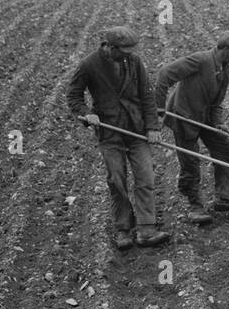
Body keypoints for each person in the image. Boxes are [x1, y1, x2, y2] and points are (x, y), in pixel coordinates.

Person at [66, 25, 170, 250]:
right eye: (124, 50)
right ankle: (123, 228)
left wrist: (152, 127)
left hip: (136, 129)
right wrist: (87, 114)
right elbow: (74, 96)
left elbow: (146, 95)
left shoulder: (134, 61)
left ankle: (146, 228)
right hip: (109, 130)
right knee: (117, 180)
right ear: (110, 47)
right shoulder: (89, 65)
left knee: (146, 178)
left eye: (131, 50)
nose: (129, 54)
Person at [154, 32, 229, 223]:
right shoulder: (200, 60)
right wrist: (158, 108)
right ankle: (195, 206)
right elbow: (165, 74)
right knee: (190, 162)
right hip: (183, 116)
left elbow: (216, 103)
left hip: (204, 117)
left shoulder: (225, 69)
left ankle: (224, 198)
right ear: (225, 49)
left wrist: (218, 123)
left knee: (225, 150)